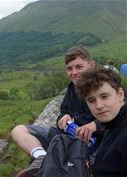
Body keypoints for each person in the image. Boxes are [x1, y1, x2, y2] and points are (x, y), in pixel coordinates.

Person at [12, 46, 105, 177]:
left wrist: (95, 125)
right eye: (69, 68)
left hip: (94, 144)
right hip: (67, 136)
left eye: (79, 67)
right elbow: (63, 111)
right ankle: (42, 158)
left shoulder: (104, 86)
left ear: (92, 65)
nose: (74, 72)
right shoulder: (72, 88)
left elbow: (120, 115)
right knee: (18, 130)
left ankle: (60, 164)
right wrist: (63, 118)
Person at [75, 67, 127, 177]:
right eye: (91, 100)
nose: (99, 106)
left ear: (120, 94)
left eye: (104, 96)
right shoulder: (112, 126)